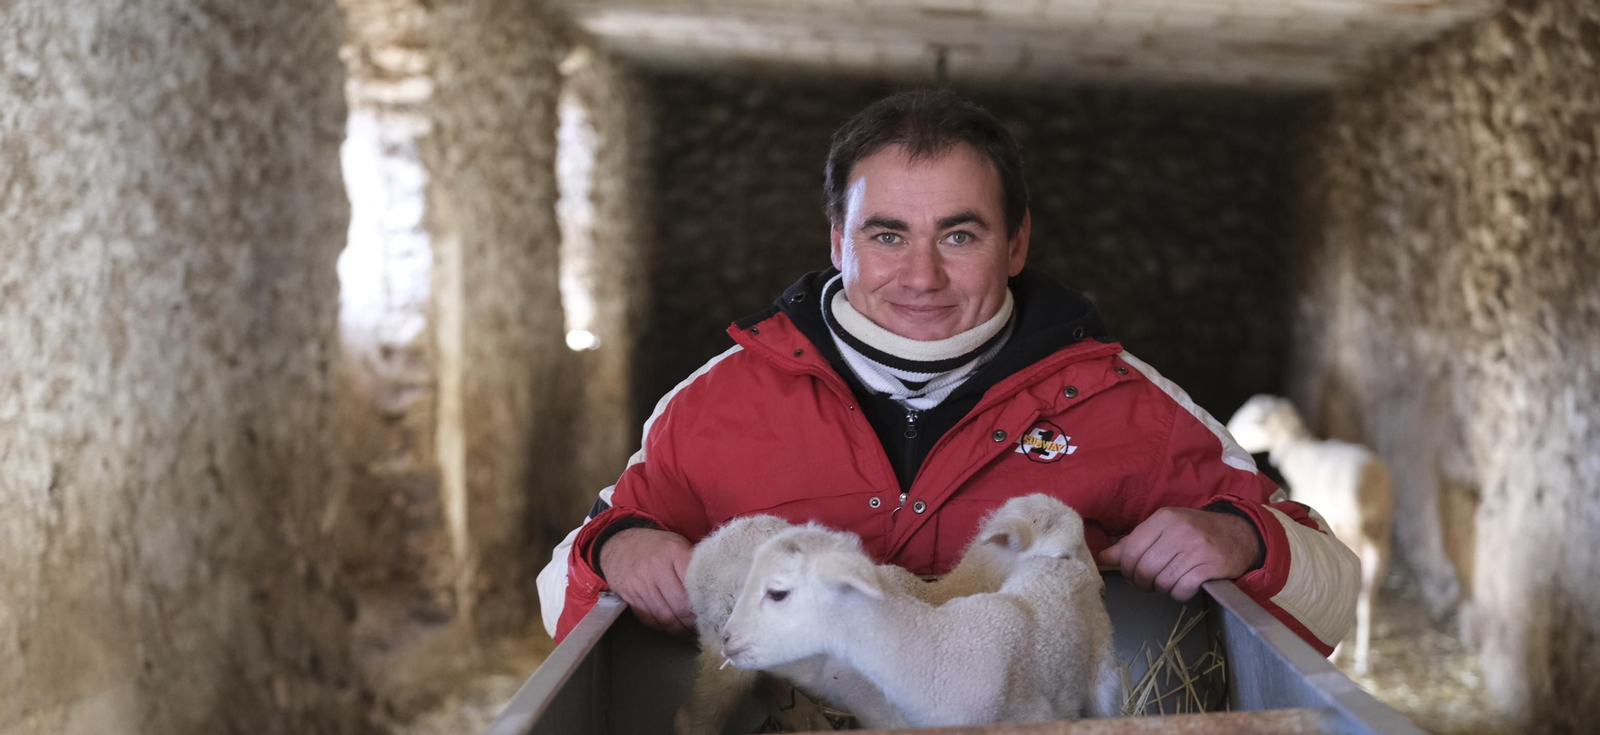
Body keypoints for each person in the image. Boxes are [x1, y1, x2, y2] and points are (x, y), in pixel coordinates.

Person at [536, 89, 1359, 652]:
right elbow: (564, 593)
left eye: (959, 235)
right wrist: (618, 549)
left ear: (1017, 244)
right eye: (887, 235)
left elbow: (1330, 595)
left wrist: (1243, 536)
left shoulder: (1128, 404)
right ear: (837, 240)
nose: (921, 276)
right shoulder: (715, 404)